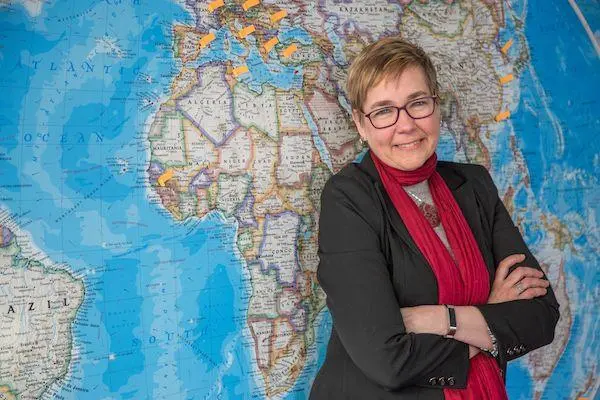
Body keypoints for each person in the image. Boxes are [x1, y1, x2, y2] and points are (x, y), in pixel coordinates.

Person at [309, 37, 559, 399]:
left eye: (417, 103)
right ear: (361, 125)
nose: (406, 124)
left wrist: (435, 319)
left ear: (436, 106)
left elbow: (540, 317)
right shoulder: (349, 197)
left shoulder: (473, 185)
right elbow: (388, 362)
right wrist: (489, 315)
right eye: (383, 111)